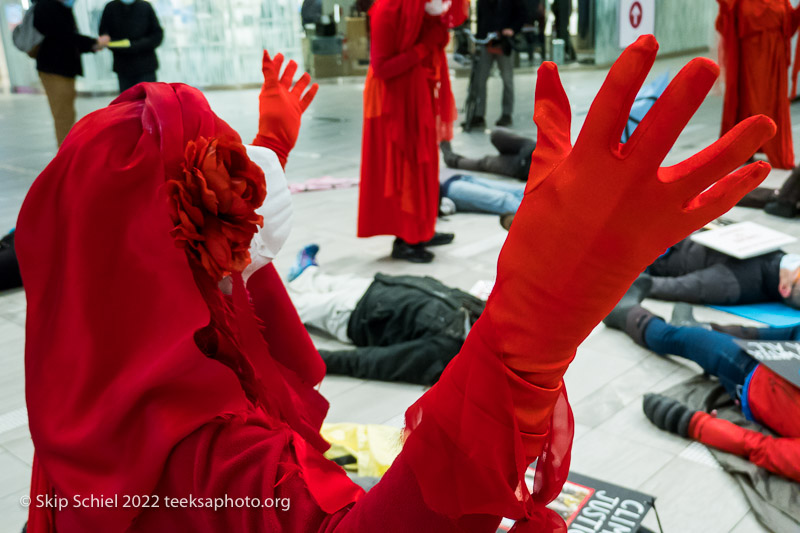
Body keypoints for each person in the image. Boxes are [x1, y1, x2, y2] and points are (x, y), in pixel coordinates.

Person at [17, 36, 776, 532]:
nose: (241, 223)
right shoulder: (212, 462)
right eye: (228, 194)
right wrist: (532, 329)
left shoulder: (87, 405)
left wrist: (271, 143)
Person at [603, 283, 800, 483]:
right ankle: (700, 329)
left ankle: (628, 315)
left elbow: (758, 447)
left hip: (750, 373)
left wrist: (693, 423)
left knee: (682, 339)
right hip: (779, 363)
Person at [358, 0, 467, 263]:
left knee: (425, 166)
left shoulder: (420, 8)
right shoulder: (387, 9)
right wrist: (424, 47)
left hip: (419, 97)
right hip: (394, 105)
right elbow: (382, 67)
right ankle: (405, 240)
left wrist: (431, 40)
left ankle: (421, 229)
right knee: (404, 169)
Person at [286, 245, 484, 385]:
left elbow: (379, 361)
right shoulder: (482, 314)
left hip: (353, 315)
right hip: (378, 288)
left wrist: (316, 359)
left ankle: (263, 301)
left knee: (287, 306)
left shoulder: (447, 348)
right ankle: (304, 276)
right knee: (325, 283)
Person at [716, 0, 800, 170]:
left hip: (775, 58)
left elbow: (789, 26)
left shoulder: (781, 2)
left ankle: (775, 149)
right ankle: (744, 149)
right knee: (748, 102)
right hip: (749, 57)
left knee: (773, 103)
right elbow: (724, 21)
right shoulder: (738, 2)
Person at [641, 236, 800, 309]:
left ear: (784, 288)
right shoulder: (777, 257)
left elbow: (665, 287)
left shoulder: (732, 284)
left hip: (653, 249)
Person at [33, 0, 109, 146]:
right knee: (63, 116)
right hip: (54, 69)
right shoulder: (46, 6)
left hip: (64, 68)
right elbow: (63, 36)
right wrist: (93, 43)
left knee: (67, 114)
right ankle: (65, 156)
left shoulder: (60, 7)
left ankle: (69, 151)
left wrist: (91, 44)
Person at [466, 0, 526, 129]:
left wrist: (512, 29)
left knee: (507, 80)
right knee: (480, 80)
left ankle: (506, 114)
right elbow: (481, 17)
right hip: (485, 41)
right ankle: (478, 115)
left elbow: (522, 13)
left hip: (504, 42)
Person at [99, 0, 164, 93]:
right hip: (123, 66)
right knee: (127, 103)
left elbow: (157, 35)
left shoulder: (145, 6)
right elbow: (104, 34)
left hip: (146, 65)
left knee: (148, 100)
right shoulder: (110, 7)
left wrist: (135, 45)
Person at [441, 128, 535, 180]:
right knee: (496, 134)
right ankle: (452, 159)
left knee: (485, 162)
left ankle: (452, 160)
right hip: (531, 149)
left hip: (523, 167)